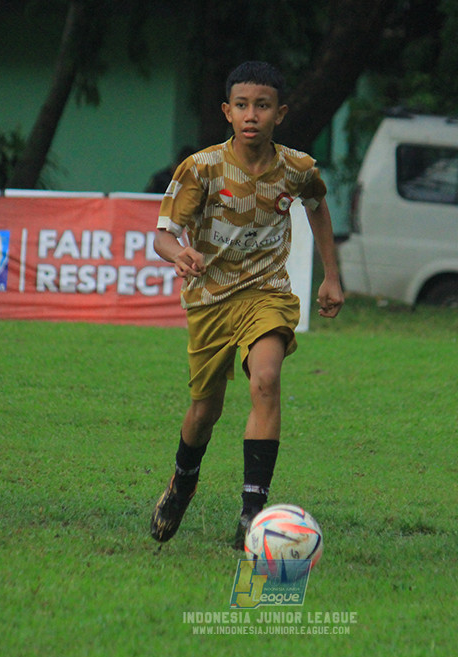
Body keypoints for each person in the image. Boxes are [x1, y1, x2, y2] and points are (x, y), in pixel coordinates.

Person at [149, 61, 344, 549]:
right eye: (242, 105)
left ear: (280, 113)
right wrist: (180, 253)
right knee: (204, 411)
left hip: (267, 292)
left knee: (266, 379)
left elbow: (318, 208)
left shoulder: (298, 168)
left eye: (262, 105)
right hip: (210, 299)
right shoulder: (201, 168)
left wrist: (332, 277)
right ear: (227, 112)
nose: (251, 114)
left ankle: (253, 512)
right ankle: (182, 484)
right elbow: (163, 236)